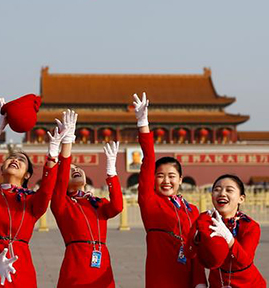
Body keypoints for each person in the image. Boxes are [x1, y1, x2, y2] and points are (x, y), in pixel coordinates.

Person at [0, 98, 66, 288]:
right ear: (2, 167)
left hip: (20, 263)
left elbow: (47, 190)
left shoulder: (32, 201)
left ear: (27, 174)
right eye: (11, 158)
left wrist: (53, 154)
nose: (15, 160)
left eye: (21, 160)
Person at [134, 93, 206, 288]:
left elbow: (197, 248)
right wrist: (143, 123)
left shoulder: (192, 210)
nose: (166, 181)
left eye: (172, 176)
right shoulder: (149, 200)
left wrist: (200, 281)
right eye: (160, 175)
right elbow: (148, 160)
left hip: (189, 275)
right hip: (162, 276)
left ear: (180, 180)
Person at [51, 110, 123, 287]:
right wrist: (67, 141)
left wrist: (111, 172)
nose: (75, 170)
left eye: (78, 168)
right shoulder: (61, 203)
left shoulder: (98, 204)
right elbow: (59, 176)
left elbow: (117, 207)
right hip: (76, 263)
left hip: (101, 261)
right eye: (70, 169)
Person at [189, 175, 266, 287]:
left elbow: (245, 261)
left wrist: (229, 239)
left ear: (241, 198)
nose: (222, 193)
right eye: (217, 190)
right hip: (218, 282)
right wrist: (195, 241)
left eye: (229, 190)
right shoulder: (205, 220)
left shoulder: (250, 226)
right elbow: (191, 254)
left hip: (247, 284)